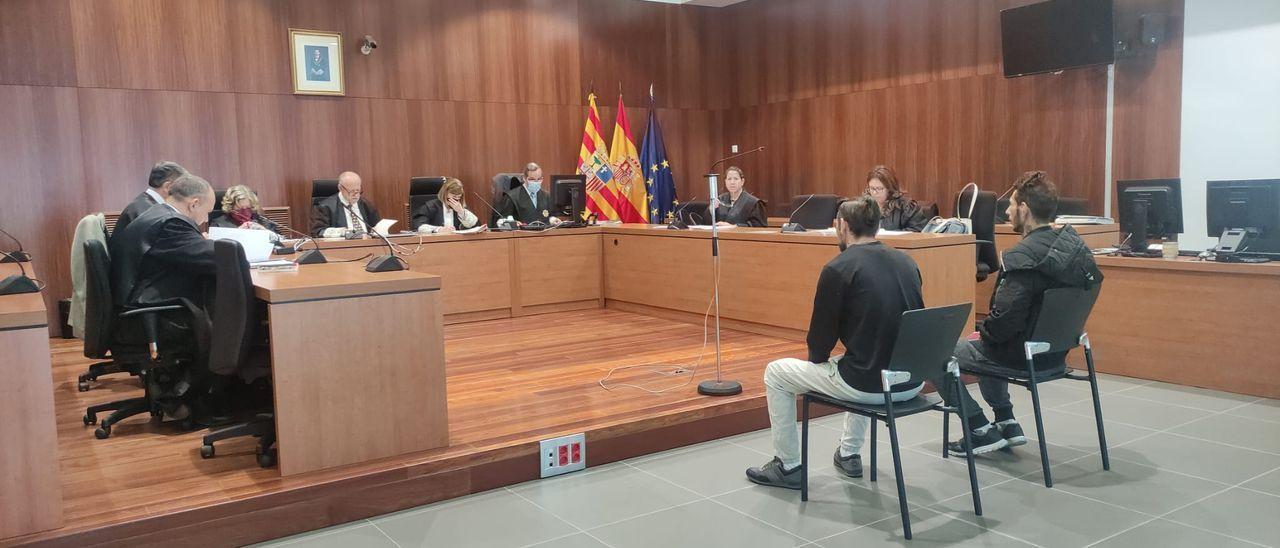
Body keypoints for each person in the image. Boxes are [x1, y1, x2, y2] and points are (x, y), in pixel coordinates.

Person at [745, 196, 988, 489]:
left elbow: (820, 342)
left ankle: (788, 466)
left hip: (869, 385)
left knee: (777, 373)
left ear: (842, 226)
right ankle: (848, 453)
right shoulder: (907, 262)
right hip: (911, 380)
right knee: (857, 359)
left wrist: (820, 366)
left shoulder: (838, 268)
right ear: (877, 226)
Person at [943, 171, 1104, 457]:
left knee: (939, 353)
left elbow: (1003, 324)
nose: (1006, 211)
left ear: (1025, 210)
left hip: (1021, 357)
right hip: (1056, 353)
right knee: (988, 341)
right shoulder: (1077, 250)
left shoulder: (1022, 257)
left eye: (1012, 205)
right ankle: (1007, 422)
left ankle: (978, 427)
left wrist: (985, 331)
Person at [109, 173, 218, 313]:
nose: (205, 218)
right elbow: (216, 258)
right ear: (194, 204)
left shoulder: (157, 213)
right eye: (207, 212)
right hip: (152, 308)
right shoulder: (172, 223)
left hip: (138, 297)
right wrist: (208, 243)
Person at [113, 161, 187, 240]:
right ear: (168, 187)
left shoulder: (144, 204)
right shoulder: (148, 211)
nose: (185, 194)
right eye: (182, 188)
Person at [311, 171, 381, 238]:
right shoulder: (325, 207)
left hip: (368, 246)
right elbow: (317, 232)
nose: (356, 195)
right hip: (341, 248)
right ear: (340, 188)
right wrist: (342, 232)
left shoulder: (366, 205)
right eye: (351, 191)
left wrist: (377, 230)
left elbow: (375, 227)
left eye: (358, 190)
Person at [866, 165, 928, 232]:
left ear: (890, 188)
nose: (875, 193)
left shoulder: (907, 208)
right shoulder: (863, 206)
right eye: (872, 188)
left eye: (879, 189)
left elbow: (917, 231)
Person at [411, 178, 482, 234]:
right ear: (445, 194)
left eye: (458, 197)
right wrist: (439, 229)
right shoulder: (429, 207)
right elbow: (418, 226)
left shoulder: (461, 208)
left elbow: (476, 225)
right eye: (453, 197)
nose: (456, 201)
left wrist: (461, 212)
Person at [209, 185, 281, 236]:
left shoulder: (262, 220)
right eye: (240, 209)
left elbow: (282, 241)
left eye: (248, 208)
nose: (245, 212)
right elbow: (217, 247)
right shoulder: (218, 224)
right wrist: (237, 233)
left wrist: (266, 232)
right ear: (230, 207)